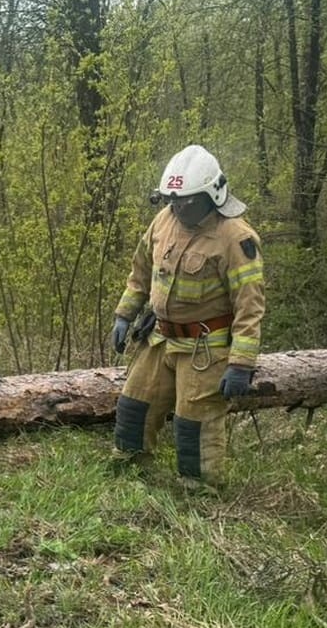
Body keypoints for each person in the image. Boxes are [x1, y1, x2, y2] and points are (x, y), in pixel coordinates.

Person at [111, 144, 265, 487]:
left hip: (204, 349)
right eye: (172, 199)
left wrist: (241, 363)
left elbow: (249, 305)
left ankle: (200, 491)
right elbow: (141, 271)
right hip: (159, 337)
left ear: (211, 194)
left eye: (187, 200)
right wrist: (125, 314)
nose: (178, 206)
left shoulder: (235, 239)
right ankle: (129, 470)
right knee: (134, 406)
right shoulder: (164, 220)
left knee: (194, 424)